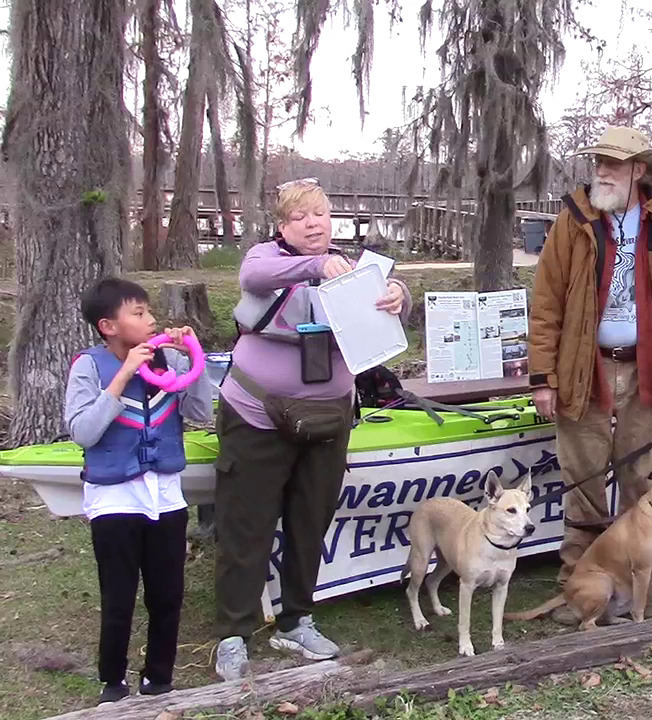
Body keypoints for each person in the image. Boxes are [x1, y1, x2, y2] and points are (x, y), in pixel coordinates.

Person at [212, 179, 412, 680]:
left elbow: (391, 303)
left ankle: (295, 620)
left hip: (328, 416)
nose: (313, 224)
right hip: (258, 413)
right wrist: (314, 265)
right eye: (300, 217)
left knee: (309, 521)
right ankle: (234, 634)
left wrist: (397, 295)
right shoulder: (265, 258)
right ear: (283, 225)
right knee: (247, 523)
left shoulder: (352, 268)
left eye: (320, 214)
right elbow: (256, 276)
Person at [529, 126, 652, 596]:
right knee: (583, 479)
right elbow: (546, 303)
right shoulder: (573, 220)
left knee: (641, 478)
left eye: (614, 163)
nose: (602, 170)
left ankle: (631, 585)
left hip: (647, 369)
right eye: (599, 161)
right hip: (586, 367)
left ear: (638, 171)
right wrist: (544, 376)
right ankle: (576, 586)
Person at [64, 278, 214, 705]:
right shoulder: (89, 367)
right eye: (139, 314)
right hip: (114, 499)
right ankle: (112, 681)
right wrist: (125, 374)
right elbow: (83, 432)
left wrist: (190, 364)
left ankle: (160, 678)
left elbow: (200, 413)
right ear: (108, 326)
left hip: (165, 496)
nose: (151, 321)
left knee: (167, 594)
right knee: (119, 595)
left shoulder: (166, 359)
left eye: (149, 313)